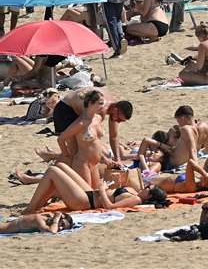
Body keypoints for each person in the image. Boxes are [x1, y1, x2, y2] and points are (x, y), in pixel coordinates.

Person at [22, 162, 166, 213]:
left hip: (84, 202)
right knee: (61, 166)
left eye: (148, 188)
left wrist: (103, 189)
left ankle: (30, 208)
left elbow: (109, 206)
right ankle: (37, 205)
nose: (146, 186)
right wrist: (116, 184)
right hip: (91, 193)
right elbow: (115, 193)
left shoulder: (135, 199)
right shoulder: (135, 192)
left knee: (53, 171)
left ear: (149, 196)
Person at [51, 88, 132, 163]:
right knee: (75, 151)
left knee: (79, 151)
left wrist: (117, 159)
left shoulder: (115, 107)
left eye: (121, 121)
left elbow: (113, 136)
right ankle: (54, 168)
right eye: (119, 119)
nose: (118, 121)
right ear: (115, 109)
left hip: (76, 106)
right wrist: (104, 158)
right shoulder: (100, 109)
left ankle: (54, 159)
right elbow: (94, 137)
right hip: (64, 109)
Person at [0, 212, 74, 235]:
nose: (60, 228)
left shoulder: (45, 222)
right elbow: (51, 232)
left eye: (63, 228)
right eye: (62, 224)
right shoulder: (38, 219)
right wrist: (56, 219)